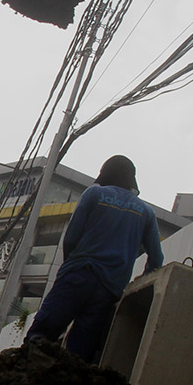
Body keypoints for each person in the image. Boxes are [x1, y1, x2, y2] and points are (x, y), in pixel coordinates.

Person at [25, 154, 164, 361]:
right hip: (109, 290)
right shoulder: (146, 212)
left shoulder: (94, 194)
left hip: (78, 274)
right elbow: (156, 259)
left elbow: (71, 238)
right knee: (81, 353)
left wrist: (69, 267)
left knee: (40, 336)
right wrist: (141, 280)